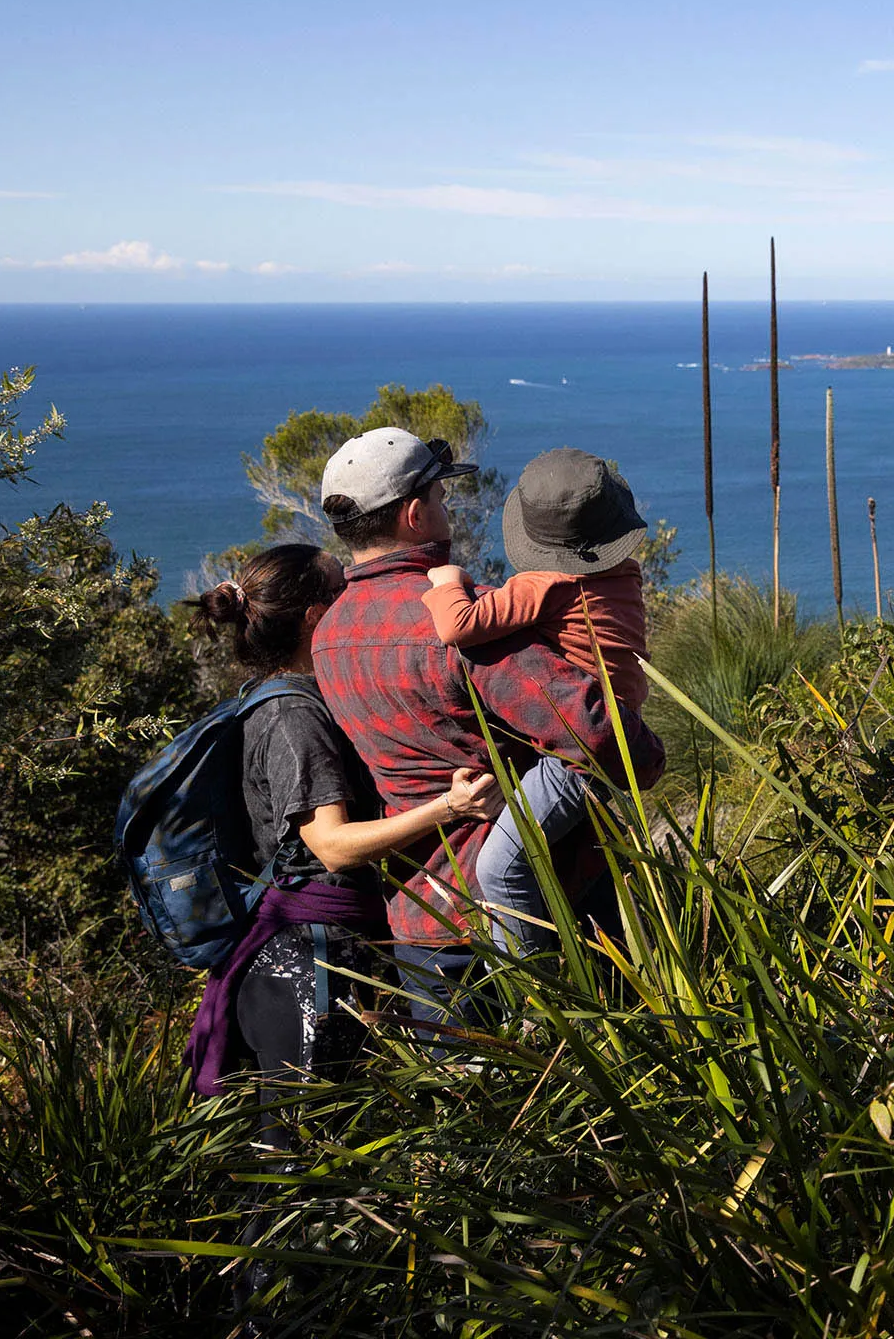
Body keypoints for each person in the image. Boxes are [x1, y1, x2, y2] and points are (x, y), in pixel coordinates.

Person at [309, 427, 664, 1032]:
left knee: (469, 1109)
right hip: (549, 907)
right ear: (416, 514)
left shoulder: (327, 636)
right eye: (443, 499)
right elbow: (605, 740)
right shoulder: (467, 634)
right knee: (594, 1092)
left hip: (423, 921)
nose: (449, 509)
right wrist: (649, 753)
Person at [179, 544, 502, 1111]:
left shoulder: (302, 697)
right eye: (341, 588)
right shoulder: (293, 717)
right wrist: (448, 808)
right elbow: (330, 846)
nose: (356, 595)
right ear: (314, 616)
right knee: (303, 1158)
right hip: (307, 964)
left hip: (320, 950)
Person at [421, 448, 652, 954]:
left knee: (498, 868)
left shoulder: (545, 582)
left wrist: (446, 582)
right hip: (619, 729)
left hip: (577, 751)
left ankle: (539, 996)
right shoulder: (623, 573)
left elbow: (457, 627)